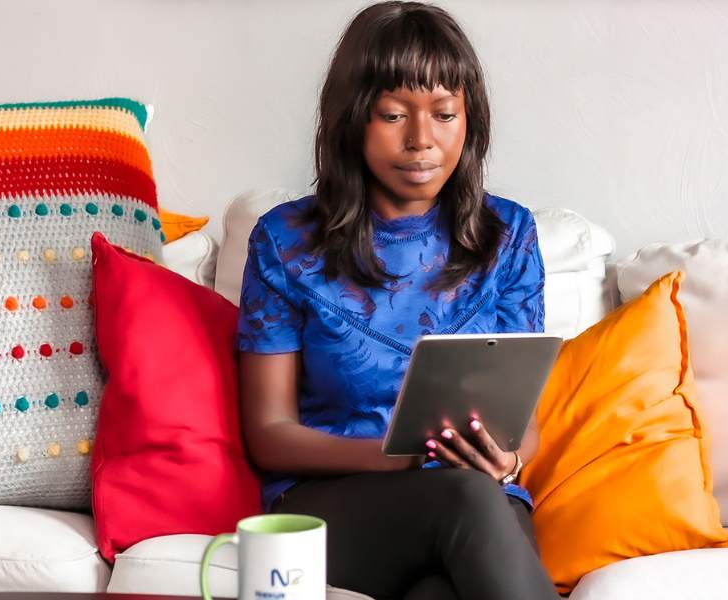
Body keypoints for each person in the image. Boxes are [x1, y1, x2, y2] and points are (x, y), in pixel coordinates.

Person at [237, 2, 559, 599]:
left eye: (444, 114)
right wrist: (400, 461)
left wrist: (506, 463)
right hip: (335, 507)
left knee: (442, 585)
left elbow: (524, 426)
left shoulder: (508, 236)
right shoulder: (285, 242)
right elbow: (269, 432)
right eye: (393, 115)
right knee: (465, 498)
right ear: (352, 119)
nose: (422, 141)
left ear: (470, 120)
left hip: (482, 501)